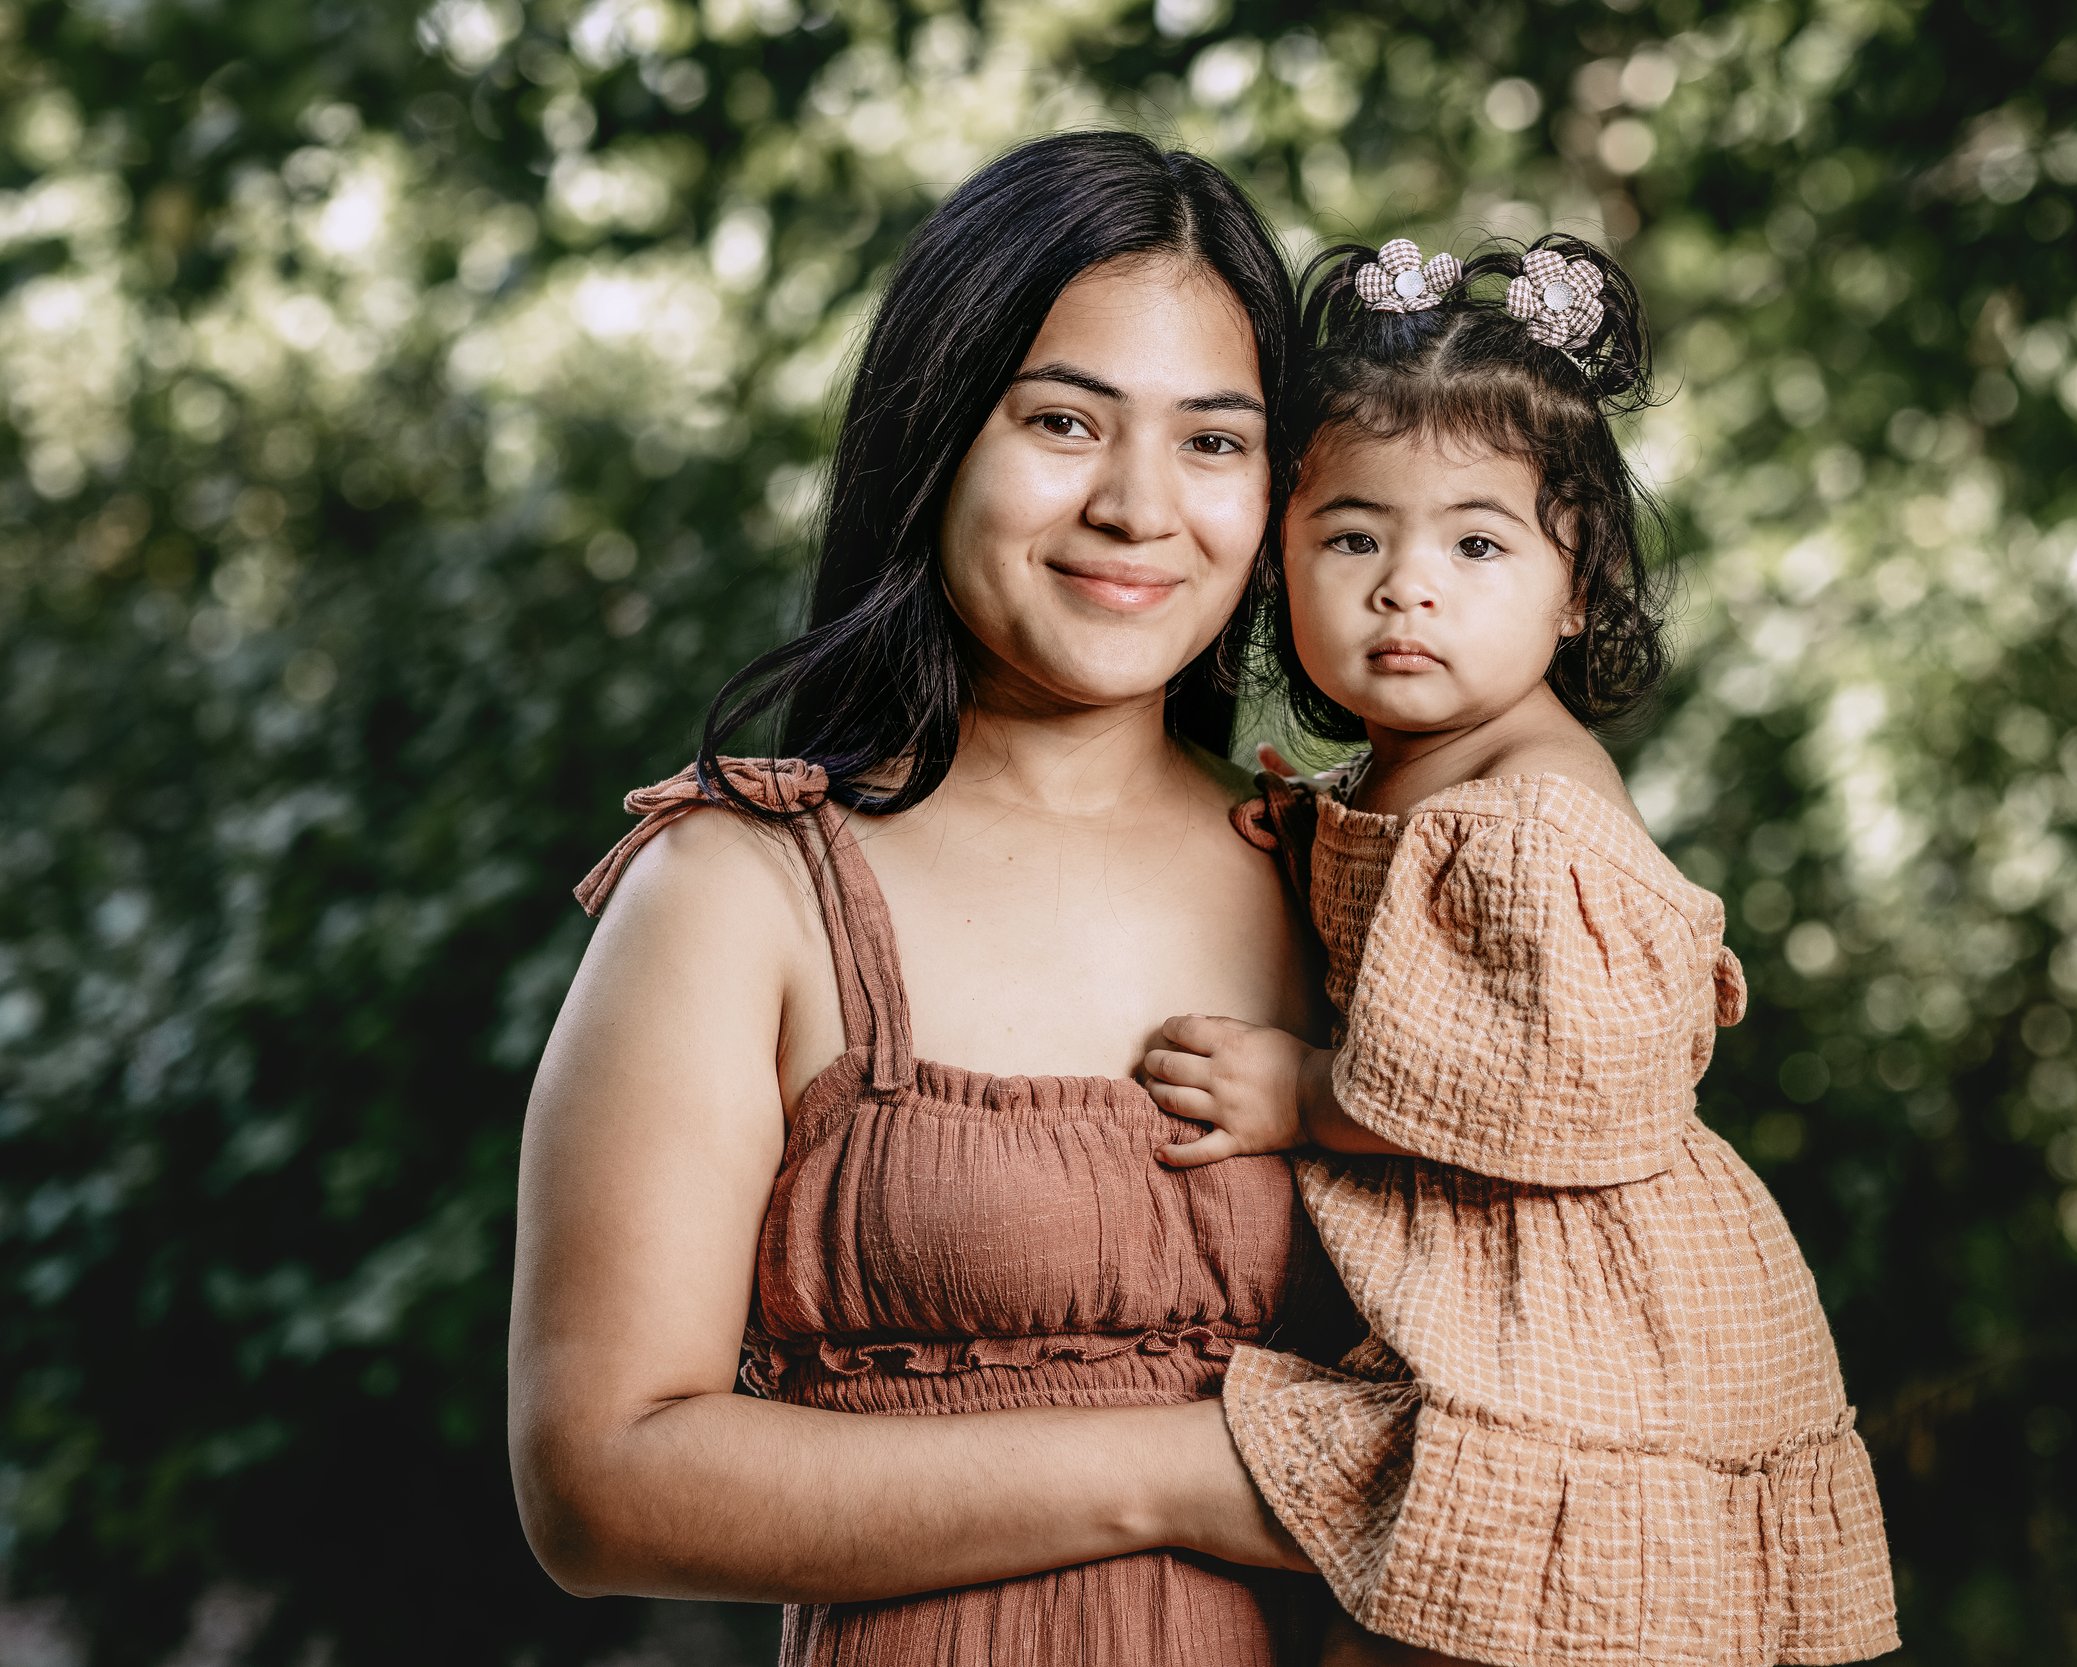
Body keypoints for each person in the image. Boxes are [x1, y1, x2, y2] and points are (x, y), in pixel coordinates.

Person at [508, 131, 1355, 1665]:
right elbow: (599, 1481)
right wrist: (1179, 1473)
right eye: (1063, 422)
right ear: (936, 434)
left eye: (1215, 442)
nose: (1139, 507)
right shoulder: (738, 892)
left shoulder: (1349, 883)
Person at [1140, 236, 1900, 1665]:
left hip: (1600, 1323)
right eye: (1351, 536)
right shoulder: (1417, 770)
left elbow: (1559, 1076)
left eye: (1476, 544)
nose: (1404, 586)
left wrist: (1302, 1095)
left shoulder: (1531, 810)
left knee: (1501, 1600)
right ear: (1276, 563)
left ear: (1578, 586)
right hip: (1518, 1284)